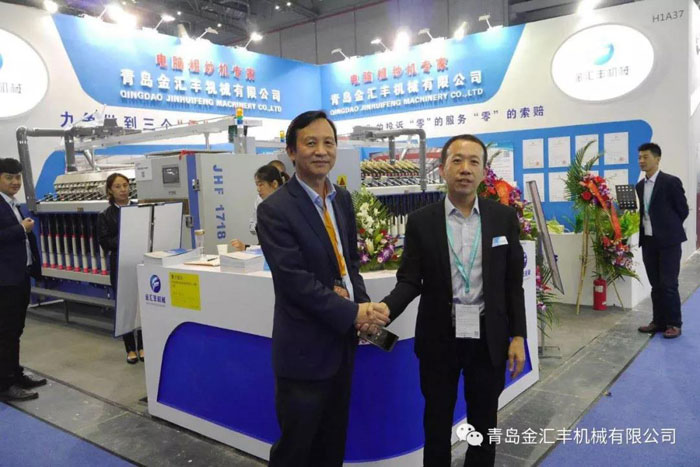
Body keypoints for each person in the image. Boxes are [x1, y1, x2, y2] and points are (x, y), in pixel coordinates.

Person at [374, 135, 527, 466]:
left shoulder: (503, 218)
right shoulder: (422, 221)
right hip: (439, 338)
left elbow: (512, 283)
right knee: (437, 424)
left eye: (473, 162)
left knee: (484, 425)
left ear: (484, 172)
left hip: (488, 337)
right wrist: (386, 308)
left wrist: (518, 336)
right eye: (457, 160)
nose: (465, 169)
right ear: (442, 169)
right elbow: (410, 279)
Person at [256, 110, 390, 466]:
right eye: (310, 143)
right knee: (296, 450)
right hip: (304, 351)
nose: (321, 151)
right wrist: (353, 312)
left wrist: (362, 308)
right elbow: (294, 281)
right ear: (291, 151)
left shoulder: (341, 199)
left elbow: (349, 264)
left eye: (328, 142)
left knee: (332, 445)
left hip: (341, 345)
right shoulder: (275, 209)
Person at [0, 158, 46, 401]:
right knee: (5, 332)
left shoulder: (13, 204)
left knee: (16, 329)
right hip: (5, 280)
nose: (15, 182)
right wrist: (21, 229)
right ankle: (5, 384)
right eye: (9, 177)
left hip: (20, 276)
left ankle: (15, 373)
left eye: (17, 177)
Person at [636, 143, 689, 339]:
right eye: (640, 157)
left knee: (668, 284)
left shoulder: (670, 182)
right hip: (648, 241)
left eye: (646, 157)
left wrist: (668, 228)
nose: (641, 161)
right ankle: (658, 321)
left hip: (669, 242)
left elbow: (682, 210)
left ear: (657, 159)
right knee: (656, 285)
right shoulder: (640, 186)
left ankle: (674, 323)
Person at [97, 173, 143, 364]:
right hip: (120, 263)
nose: (123, 189)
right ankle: (130, 348)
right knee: (125, 304)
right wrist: (126, 237)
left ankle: (142, 345)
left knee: (141, 303)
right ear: (110, 190)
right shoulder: (105, 215)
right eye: (118, 186)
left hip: (140, 260)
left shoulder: (140, 209)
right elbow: (105, 242)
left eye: (125, 185)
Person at [233, 165, 284, 252]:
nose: (258, 189)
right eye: (257, 185)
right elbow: (265, 245)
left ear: (274, 184)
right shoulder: (263, 207)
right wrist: (245, 247)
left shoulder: (288, 207)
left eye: (261, 185)